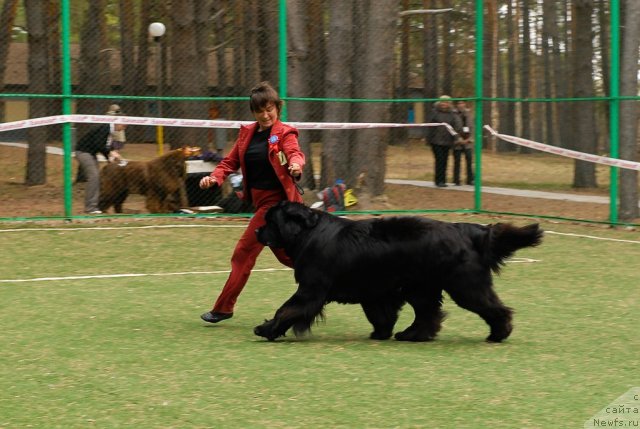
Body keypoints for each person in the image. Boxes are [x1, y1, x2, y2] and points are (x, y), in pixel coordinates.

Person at [199, 81, 305, 324]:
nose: (265, 115)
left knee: (243, 253)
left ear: (278, 108)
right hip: (263, 206)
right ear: (253, 112)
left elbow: (294, 153)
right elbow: (228, 163)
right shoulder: (247, 134)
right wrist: (213, 179)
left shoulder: (285, 133)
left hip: (279, 207)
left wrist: (296, 165)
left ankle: (223, 307)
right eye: (260, 110)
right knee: (293, 257)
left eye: (270, 109)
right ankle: (341, 277)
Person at [75, 105, 126, 214]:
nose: (125, 127)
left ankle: (94, 205)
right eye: (124, 124)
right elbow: (99, 144)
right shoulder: (106, 128)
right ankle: (90, 208)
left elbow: (104, 146)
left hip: (91, 153)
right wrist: (110, 153)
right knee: (94, 176)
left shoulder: (110, 130)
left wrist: (110, 157)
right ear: (118, 122)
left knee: (97, 177)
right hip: (83, 152)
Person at [425, 95, 462, 187]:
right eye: (442, 102)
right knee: (439, 159)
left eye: (446, 102)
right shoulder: (434, 112)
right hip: (436, 141)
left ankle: (443, 180)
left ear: (449, 104)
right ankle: (438, 180)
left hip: (447, 141)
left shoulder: (453, 114)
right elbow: (429, 126)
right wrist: (428, 138)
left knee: (445, 160)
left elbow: (457, 126)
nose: (444, 104)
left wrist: (456, 137)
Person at [452, 100, 474, 186]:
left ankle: (470, 179)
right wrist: (458, 138)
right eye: (459, 103)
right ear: (456, 105)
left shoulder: (469, 114)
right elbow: (452, 128)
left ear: (465, 104)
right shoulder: (453, 115)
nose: (461, 105)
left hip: (468, 141)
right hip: (457, 142)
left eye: (462, 103)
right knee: (457, 161)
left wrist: (470, 138)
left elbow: (472, 127)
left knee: (469, 160)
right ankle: (456, 180)